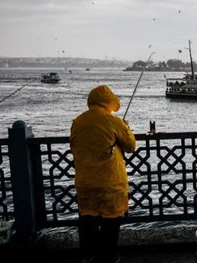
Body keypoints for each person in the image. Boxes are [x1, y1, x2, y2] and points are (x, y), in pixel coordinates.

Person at [70, 85, 136, 263]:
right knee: (111, 219)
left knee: (87, 218)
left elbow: (75, 146)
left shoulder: (78, 121)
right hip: (109, 181)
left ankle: (88, 254)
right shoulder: (113, 121)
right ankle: (108, 255)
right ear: (109, 102)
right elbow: (130, 146)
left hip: (84, 180)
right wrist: (126, 128)